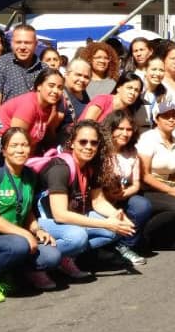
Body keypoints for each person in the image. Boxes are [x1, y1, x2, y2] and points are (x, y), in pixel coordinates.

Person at [0, 128, 62, 301]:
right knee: (19, 245)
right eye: (14, 145)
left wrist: (37, 230)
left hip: (14, 239)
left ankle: (13, 274)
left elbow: (27, 211)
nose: (20, 150)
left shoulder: (30, 175)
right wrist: (25, 234)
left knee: (52, 256)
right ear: (3, 150)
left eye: (24, 145)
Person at [35, 120, 137, 280]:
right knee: (78, 237)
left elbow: (98, 202)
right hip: (42, 221)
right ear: (72, 143)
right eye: (83, 141)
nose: (88, 146)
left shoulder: (91, 166)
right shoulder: (60, 168)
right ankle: (38, 262)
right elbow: (60, 214)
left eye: (94, 143)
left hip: (70, 217)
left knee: (115, 230)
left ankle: (66, 257)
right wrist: (106, 223)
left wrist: (117, 216)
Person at [136, 104, 175, 248]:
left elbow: (173, 175)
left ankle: (153, 238)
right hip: (145, 190)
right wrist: (170, 191)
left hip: (164, 189)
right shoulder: (148, 138)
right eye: (166, 116)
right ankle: (140, 235)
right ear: (156, 119)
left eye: (174, 116)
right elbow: (143, 174)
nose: (171, 120)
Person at [99, 111, 151, 265]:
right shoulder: (100, 151)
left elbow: (136, 184)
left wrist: (124, 193)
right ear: (111, 129)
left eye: (129, 130)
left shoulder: (132, 152)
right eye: (120, 129)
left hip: (122, 196)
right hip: (101, 198)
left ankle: (125, 246)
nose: (125, 133)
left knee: (142, 205)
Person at [0, 68, 66, 156]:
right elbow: (15, 141)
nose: (56, 91)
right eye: (51, 86)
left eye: (60, 87)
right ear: (39, 86)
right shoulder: (29, 105)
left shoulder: (48, 107)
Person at [0, 25, 43, 110]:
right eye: (18, 42)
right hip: (7, 122)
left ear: (36, 44)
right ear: (12, 43)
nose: (22, 47)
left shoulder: (44, 69)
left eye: (27, 43)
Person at [60, 58, 93, 130]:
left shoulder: (84, 93)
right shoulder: (59, 95)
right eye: (78, 75)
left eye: (86, 77)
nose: (82, 80)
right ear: (66, 74)